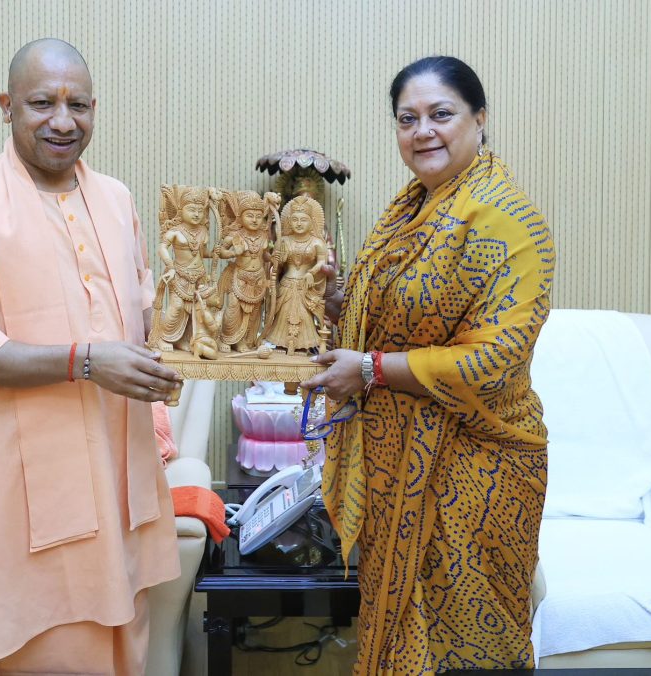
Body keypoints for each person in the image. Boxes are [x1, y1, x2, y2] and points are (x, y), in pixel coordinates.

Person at [0, 39, 182, 675]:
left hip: (120, 488)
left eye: (78, 105)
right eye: (43, 103)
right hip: (20, 500)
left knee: (125, 651)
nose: (63, 121)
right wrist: (87, 362)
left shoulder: (117, 200)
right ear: (7, 106)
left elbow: (150, 313)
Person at [302, 56, 555, 673]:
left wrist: (369, 369)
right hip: (399, 461)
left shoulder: (509, 221)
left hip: (478, 467)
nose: (423, 132)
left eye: (441, 114)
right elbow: (399, 314)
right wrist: (341, 303)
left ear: (479, 118)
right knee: (403, 640)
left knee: (468, 645)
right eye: (407, 119)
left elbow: (493, 361)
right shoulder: (412, 207)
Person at [151, 185, 217, 352]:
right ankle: (164, 337)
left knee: (196, 309)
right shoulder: (175, 231)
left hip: (199, 276)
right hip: (179, 274)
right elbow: (162, 248)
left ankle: (183, 339)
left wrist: (215, 253)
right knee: (177, 306)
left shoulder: (203, 231)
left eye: (200, 211)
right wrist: (170, 266)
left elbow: (202, 253)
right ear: (181, 211)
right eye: (192, 210)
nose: (196, 214)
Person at [261, 195, 328, 355]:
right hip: (286, 284)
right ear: (289, 221)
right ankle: (281, 344)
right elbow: (276, 265)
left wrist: (312, 272)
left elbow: (322, 263)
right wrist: (276, 261)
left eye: (303, 220)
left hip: (305, 286)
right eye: (295, 220)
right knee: (282, 315)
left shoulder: (317, 242)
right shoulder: (283, 240)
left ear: (312, 221)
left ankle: (303, 345)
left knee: (304, 315)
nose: (298, 223)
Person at [215, 190, 278, 353]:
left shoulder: (264, 236)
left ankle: (244, 341)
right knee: (233, 308)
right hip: (239, 277)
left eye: (258, 216)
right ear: (241, 217)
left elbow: (264, 255)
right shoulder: (235, 235)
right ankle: (227, 338)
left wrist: (272, 258)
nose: (255, 220)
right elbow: (220, 251)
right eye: (250, 216)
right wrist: (232, 253)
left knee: (254, 313)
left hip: (258, 278)